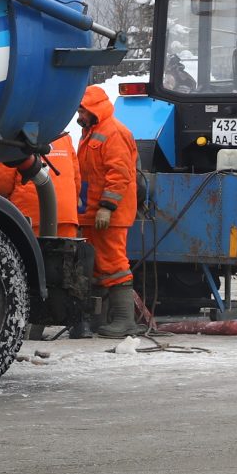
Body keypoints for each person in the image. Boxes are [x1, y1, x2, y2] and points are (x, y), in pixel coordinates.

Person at [74, 85, 140, 336]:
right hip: (94, 211)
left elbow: (119, 173)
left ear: (94, 109)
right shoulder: (92, 132)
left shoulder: (113, 132)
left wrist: (106, 207)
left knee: (113, 263)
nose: (78, 115)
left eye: (82, 109)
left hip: (109, 213)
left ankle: (125, 321)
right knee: (98, 266)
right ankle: (99, 321)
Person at [0, 135, 80, 240]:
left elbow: (1, 184)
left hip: (31, 217)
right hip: (67, 216)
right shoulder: (64, 136)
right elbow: (76, 179)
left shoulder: (14, 136)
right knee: (63, 255)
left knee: (28, 255)